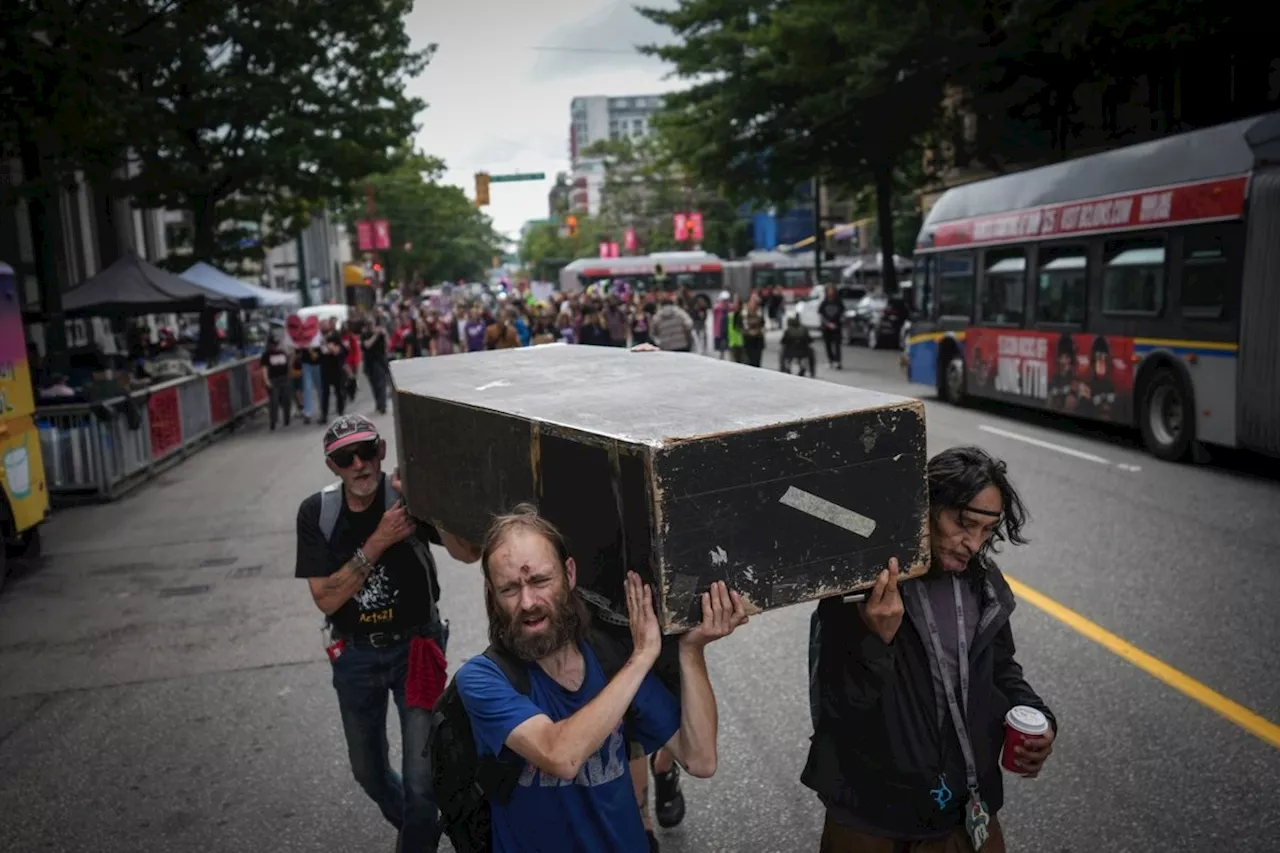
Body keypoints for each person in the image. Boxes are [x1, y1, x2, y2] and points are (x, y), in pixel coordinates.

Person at [804, 446, 1057, 853]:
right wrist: (877, 638)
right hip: (871, 818)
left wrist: (1040, 719)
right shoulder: (863, 583)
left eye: (986, 532)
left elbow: (1003, 672)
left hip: (964, 809)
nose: (972, 543)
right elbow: (837, 708)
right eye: (962, 523)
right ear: (926, 503)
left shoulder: (987, 587)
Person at [455, 505, 749, 852]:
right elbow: (560, 755)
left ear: (570, 573)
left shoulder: (610, 661)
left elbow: (700, 758)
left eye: (540, 581)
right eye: (509, 589)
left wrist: (691, 650)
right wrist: (642, 656)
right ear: (491, 593)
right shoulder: (481, 679)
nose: (528, 602)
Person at [295, 414, 481, 853]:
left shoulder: (405, 498)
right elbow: (325, 599)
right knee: (368, 773)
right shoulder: (318, 513)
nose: (360, 464)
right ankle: (425, 829)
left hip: (417, 648)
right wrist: (378, 541)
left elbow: (468, 554)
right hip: (356, 656)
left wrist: (439, 500)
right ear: (333, 466)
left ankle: (417, 836)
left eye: (368, 452)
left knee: (421, 782)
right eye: (346, 457)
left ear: (381, 451)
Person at [259, 333, 293, 430]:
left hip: (284, 378)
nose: (275, 346)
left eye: (276, 344)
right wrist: (266, 381)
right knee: (274, 401)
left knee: (286, 400)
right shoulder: (266, 355)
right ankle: (273, 421)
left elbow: (288, 365)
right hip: (273, 380)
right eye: (273, 344)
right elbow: (264, 369)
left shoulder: (282, 353)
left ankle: (287, 419)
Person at [817, 285, 845, 370]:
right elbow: (821, 314)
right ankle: (831, 360)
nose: (830, 292)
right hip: (826, 327)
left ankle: (837, 361)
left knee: (837, 345)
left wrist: (838, 322)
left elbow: (842, 313)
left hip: (837, 326)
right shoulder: (824, 302)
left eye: (832, 290)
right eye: (829, 290)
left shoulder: (839, 302)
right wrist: (827, 323)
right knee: (827, 345)